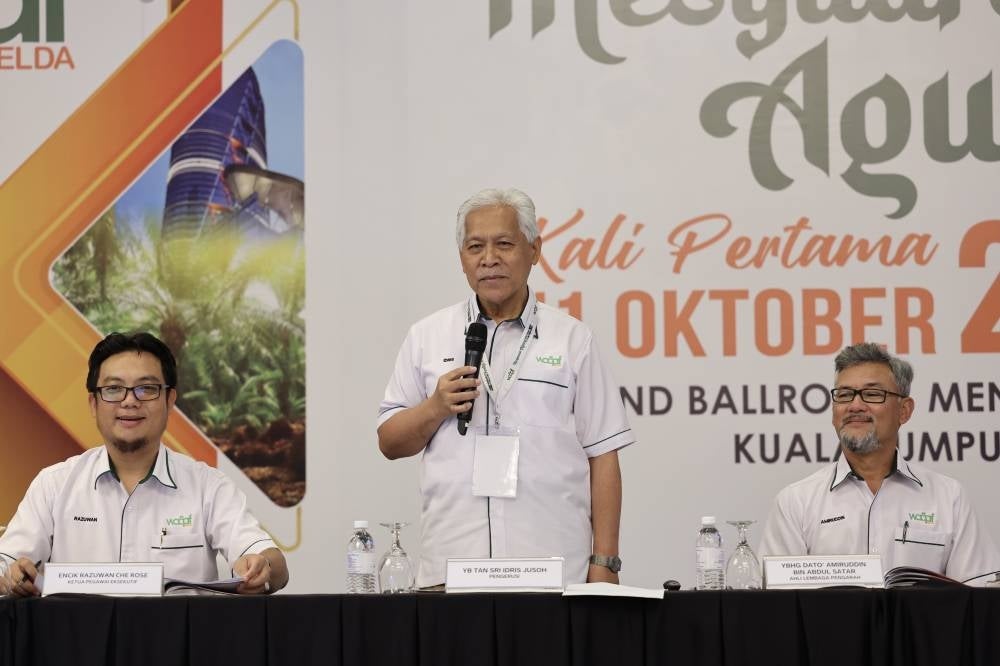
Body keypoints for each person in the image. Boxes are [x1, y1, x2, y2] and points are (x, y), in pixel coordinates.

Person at [377, 187, 635, 587]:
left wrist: (605, 561)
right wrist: (435, 407)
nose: (489, 259)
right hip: (451, 570)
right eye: (475, 246)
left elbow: (603, 455)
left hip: (552, 571)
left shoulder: (572, 339)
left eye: (504, 244)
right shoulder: (426, 336)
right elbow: (390, 442)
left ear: (534, 250)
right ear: (461, 258)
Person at [0, 332, 289, 597]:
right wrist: (12, 577)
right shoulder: (55, 485)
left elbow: (273, 564)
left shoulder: (208, 486)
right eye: (113, 389)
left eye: (146, 389)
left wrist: (261, 567)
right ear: (93, 403)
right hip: (77, 647)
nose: (129, 401)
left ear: (169, 400)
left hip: (178, 649)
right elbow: (7, 565)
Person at [759, 342, 1000, 584]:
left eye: (872, 394)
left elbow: (978, 596)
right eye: (844, 394)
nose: (855, 405)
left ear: (904, 411)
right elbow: (776, 606)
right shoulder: (796, 502)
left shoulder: (949, 498)